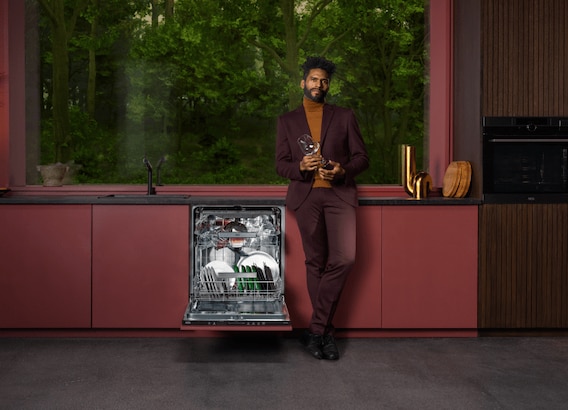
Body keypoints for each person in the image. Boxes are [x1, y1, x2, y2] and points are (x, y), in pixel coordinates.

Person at [275, 56, 369, 360]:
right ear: (303, 82)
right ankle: (325, 335)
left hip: (338, 196)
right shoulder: (287, 121)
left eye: (324, 80)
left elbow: (362, 158)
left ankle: (316, 330)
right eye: (314, 79)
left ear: (329, 85)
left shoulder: (344, 116)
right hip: (306, 198)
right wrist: (300, 166)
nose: (319, 84)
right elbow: (280, 165)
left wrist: (343, 170)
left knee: (344, 258)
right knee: (315, 262)